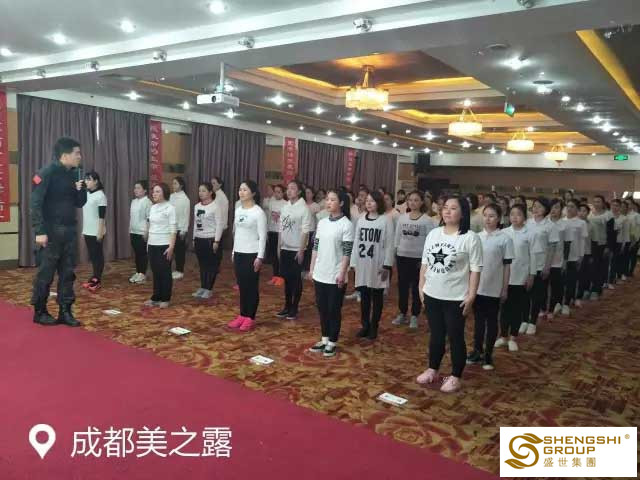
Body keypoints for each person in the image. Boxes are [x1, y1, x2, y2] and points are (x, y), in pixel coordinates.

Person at [416, 195, 483, 393]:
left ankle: (455, 376)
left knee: (455, 336)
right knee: (436, 335)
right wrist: (421, 287)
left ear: (463, 213)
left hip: (456, 297)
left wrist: (471, 295)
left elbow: (475, 270)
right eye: (445, 207)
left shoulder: (470, 237)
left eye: (453, 208)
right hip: (432, 293)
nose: (447, 211)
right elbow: (425, 264)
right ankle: (433, 369)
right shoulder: (434, 234)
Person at [30, 137, 87, 326]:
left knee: (68, 273)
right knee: (46, 273)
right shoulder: (46, 173)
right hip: (51, 232)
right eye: (77, 153)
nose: (80, 156)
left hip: (69, 231)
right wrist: (39, 230)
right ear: (64, 155)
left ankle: (65, 311)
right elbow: (35, 203)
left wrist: (81, 189)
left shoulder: (74, 174)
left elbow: (79, 203)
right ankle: (40, 311)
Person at [467, 203, 513, 370]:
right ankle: (477, 351)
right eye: (485, 215)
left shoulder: (505, 239)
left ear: (499, 218)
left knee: (492, 322)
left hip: (494, 287)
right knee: (478, 322)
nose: (488, 219)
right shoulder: (476, 237)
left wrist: (504, 288)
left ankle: (488, 355)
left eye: (492, 216)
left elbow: (507, 266)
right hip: (477, 287)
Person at [308, 190, 353, 357]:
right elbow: (316, 247)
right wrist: (312, 268)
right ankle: (324, 338)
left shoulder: (346, 224)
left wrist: (342, 273)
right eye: (327, 199)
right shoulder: (322, 222)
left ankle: (333, 341)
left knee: (333, 309)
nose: (328, 202)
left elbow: (347, 252)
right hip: (320, 272)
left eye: (333, 200)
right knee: (322, 308)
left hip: (335, 274)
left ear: (341, 203)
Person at [351, 191, 395, 340]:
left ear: (379, 203)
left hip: (378, 263)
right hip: (363, 263)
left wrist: (387, 265)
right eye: (367, 201)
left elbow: (389, 245)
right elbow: (356, 241)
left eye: (372, 201)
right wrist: (353, 262)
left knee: (377, 297)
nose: (369, 203)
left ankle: (374, 326)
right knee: (364, 296)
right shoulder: (361, 219)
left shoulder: (386, 220)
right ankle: (365, 325)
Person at [495, 204, 536, 353]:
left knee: (517, 309)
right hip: (505, 277)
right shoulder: (503, 232)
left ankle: (513, 337)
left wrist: (531, 275)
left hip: (521, 277)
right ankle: (503, 336)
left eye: (518, 214)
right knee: (504, 308)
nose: (515, 217)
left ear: (524, 217)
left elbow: (533, 256)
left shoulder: (530, 234)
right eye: (512, 214)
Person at [227, 180, 267, 332]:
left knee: (251, 286)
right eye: (240, 189)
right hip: (239, 252)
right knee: (242, 286)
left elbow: (262, 237)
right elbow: (236, 232)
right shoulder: (238, 210)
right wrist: (233, 251)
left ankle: (250, 317)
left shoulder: (258, 212)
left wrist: (260, 257)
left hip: (252, 254)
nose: (241, 192)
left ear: (253, 193)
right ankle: (242, 314)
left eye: (245, 190)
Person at [393, 191, 436, 329]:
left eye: (416, 200)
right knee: (402, 287)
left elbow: (430, 241)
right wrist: (395, 253)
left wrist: (427, 260)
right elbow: (397, 237)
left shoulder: (427, 220)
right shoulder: (402, 218)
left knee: (417, 287)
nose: (412, 202)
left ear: (422, 202)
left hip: (418, 259)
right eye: (410, 200)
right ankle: (402, 313)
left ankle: (414, 315)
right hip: (402, 256)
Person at [523, 197, 559, 334]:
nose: (536, 209)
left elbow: (552, 248)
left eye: (539, 206)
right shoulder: (527, 223)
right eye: (534, 206)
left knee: (537, 295)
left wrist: (547, 267)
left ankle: (532, 322)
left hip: (540, 264)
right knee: (525, 294)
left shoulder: (550, 226)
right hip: (526, 264)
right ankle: (524, 320)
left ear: (546, 209)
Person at [277, 180, 311, 321]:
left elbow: (305, 231)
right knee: (286, 279)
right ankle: (287, 306)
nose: (289, 191)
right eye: (288, 188)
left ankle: (294, 308)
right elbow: (281, 228)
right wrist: (279, 246)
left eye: (293, 188)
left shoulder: (304, 208)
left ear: (299, 192)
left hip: (297, 249)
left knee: (296, 279)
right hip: (285, 247)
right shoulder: (285, 207)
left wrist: (301, 250)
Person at [145, 183, 177, 308]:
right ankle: (156, 297)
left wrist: (171, 246)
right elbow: (151, 226)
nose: (154, 194)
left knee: (164, 271)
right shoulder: (153, 207)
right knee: (155, 271)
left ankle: (165, 298)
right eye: (154, 191)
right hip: (152, 243)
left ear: (164, 193)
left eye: (157, 191)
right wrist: (148, 243)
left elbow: (173, 229)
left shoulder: (170, 208)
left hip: (164, 244)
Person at [192, 182, 224, 299]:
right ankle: (203, 287)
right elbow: (195, 224)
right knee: (202, 265)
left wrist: (216, 241)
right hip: (199, 239)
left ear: (210, 192)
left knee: (211, 265)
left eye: (204, 191)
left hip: (210, 239)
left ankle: (209, 289)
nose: (201, 193)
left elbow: (219, 225)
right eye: (199, 191)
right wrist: (194, 238)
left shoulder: (215, 206)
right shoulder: (197, 206)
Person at [81, 171, 107, 293]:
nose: (86, 181)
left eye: (89, 179)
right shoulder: (86, 193)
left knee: (97, 255)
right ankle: (94, 277)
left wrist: (100, 231)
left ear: (96, 181)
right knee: (92, 255)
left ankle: (97, 280)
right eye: (86, 179)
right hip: (87, 230)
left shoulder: (101, 195)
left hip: (97, 230)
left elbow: (102, 216)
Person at [562, 199, 588, 314]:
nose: (569, 208)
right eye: (568, 206)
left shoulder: (581, 223)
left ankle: (567, 303)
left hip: (574, 256)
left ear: (577, 209)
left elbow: (582, 241)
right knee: (561, 281)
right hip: (560, 257)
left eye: (572, 206)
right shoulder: (561, 221)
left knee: (571, 280)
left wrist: (581, 256)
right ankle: (559, 302)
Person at [547, 199, 572, 319]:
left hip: (558, 259)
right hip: (544, 260)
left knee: (556, 285)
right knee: (543, 287)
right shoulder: (544, 222)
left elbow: (567, 244)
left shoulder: (565, 224)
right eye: (552, 207)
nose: (554, 210)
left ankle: (552, 308)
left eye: (557, 207)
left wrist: (565, 261)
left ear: (561, 209)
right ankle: (543, 308)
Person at [129, 180, 152, 284]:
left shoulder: (147, 202)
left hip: (142, 232)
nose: (136, 190)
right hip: (133, 231)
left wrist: (147, 232)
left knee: (142, 253)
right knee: (137, 253)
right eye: (135, 188)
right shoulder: (133, 201)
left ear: (145, 190)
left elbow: (149, 219)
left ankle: (142, 273)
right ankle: (138, 272)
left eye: (138, 188)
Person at [263, 184, 286, 285]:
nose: (276, 194)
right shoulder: (271, 203)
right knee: (273, 255)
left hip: (281, 232)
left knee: (280, 255)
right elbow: (268, 218)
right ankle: (275, 276)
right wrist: (267, 231)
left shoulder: (286, 204)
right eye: (275, 192)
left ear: (283, 193)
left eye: (279, 192)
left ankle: (281, 276)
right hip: (272, 231)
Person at [169, 176, 190, 280]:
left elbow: (186, 215)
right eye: (173, 183)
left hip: (179, 228)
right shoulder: (171, 196)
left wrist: (184, 230)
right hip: (170, 228)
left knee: (179, 251)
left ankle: (180, 270)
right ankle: (171, 269)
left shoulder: (185, 199)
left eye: (175, 183)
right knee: (170, 249)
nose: (173, 185)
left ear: (181, 185)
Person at [576, 203, 593, 303]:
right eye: (580, 211)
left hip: (586, 252)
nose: (581, 213)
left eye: (584, 211)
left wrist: (591, 255)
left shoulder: (591, 225)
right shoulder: (574, 223)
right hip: (574, 253)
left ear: (588, 213)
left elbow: (592, 241)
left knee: (584, 273)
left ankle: (581, 292)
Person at [303, 186, 321, 274]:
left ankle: (308, 269)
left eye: (309, 193)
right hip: (302, 231)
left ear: (313, 194)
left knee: (309, 251)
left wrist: (316, 232)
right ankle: (302, 268)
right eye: (306, 193)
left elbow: (318, 221)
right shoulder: (302, 204)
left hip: (311, 231)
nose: (307, 194)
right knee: (302, 250)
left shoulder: (316, 206)